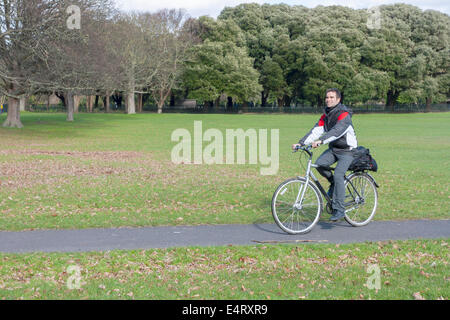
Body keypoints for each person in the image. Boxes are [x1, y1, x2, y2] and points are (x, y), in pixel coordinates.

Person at [292, 88, 357, 222]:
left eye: (332, 97)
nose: (328, 100)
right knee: (320, 164)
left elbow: (337, 131)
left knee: (339, 174)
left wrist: (321, 141)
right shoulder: (326, 115)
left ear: (338, 100)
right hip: (334, 149)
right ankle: (334, 185)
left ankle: (339, 209)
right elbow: (316, 131)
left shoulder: (344, 114)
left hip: (347, 151)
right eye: (327, 97)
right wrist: (301, 143)